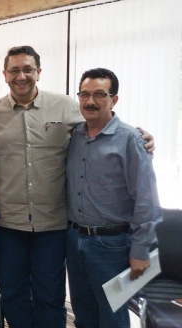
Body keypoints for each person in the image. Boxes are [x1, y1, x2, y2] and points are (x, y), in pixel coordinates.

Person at [0, 46, 154, 328]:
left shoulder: (68, 107)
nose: (21, 76)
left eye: (28, 69)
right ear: (5, 75)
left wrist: (141, 139)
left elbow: (105, 127)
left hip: (54, 227)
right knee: (13, 294)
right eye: (14, 70)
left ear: (39, 73)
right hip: (8, 226)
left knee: (52, 296)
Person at [65, 68, 161, 328]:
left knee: (112, 319)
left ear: (113, 99)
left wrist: (140, 250)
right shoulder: (74, 136)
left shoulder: (131, 140)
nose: (90, 101)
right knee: (83, 314)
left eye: (99, 95)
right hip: (74, 241)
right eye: (84, 95)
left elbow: (146, 201)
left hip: (113, 247)